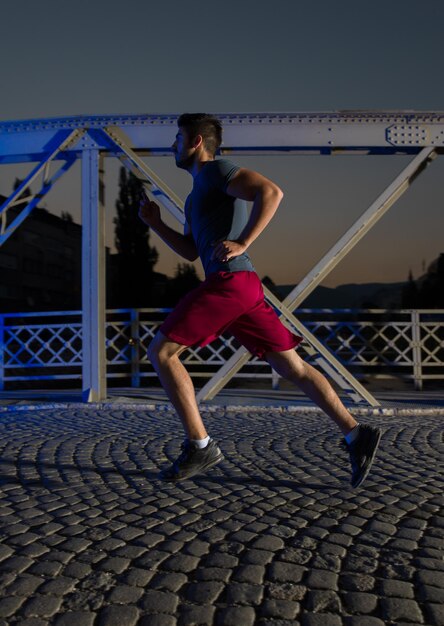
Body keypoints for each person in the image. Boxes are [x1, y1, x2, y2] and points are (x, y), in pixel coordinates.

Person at [139, 113, 381, 488]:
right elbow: (190, 251)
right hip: (242, 288)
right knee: (293, 368)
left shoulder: (218, 170)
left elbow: (271, 192)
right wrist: (156, 224)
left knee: (162, 352)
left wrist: (244, 242)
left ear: (196, 142)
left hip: (230, 284)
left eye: (177, 138)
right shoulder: (193, 196)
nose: (172, 145)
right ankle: (355, 434)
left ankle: (200, 445)